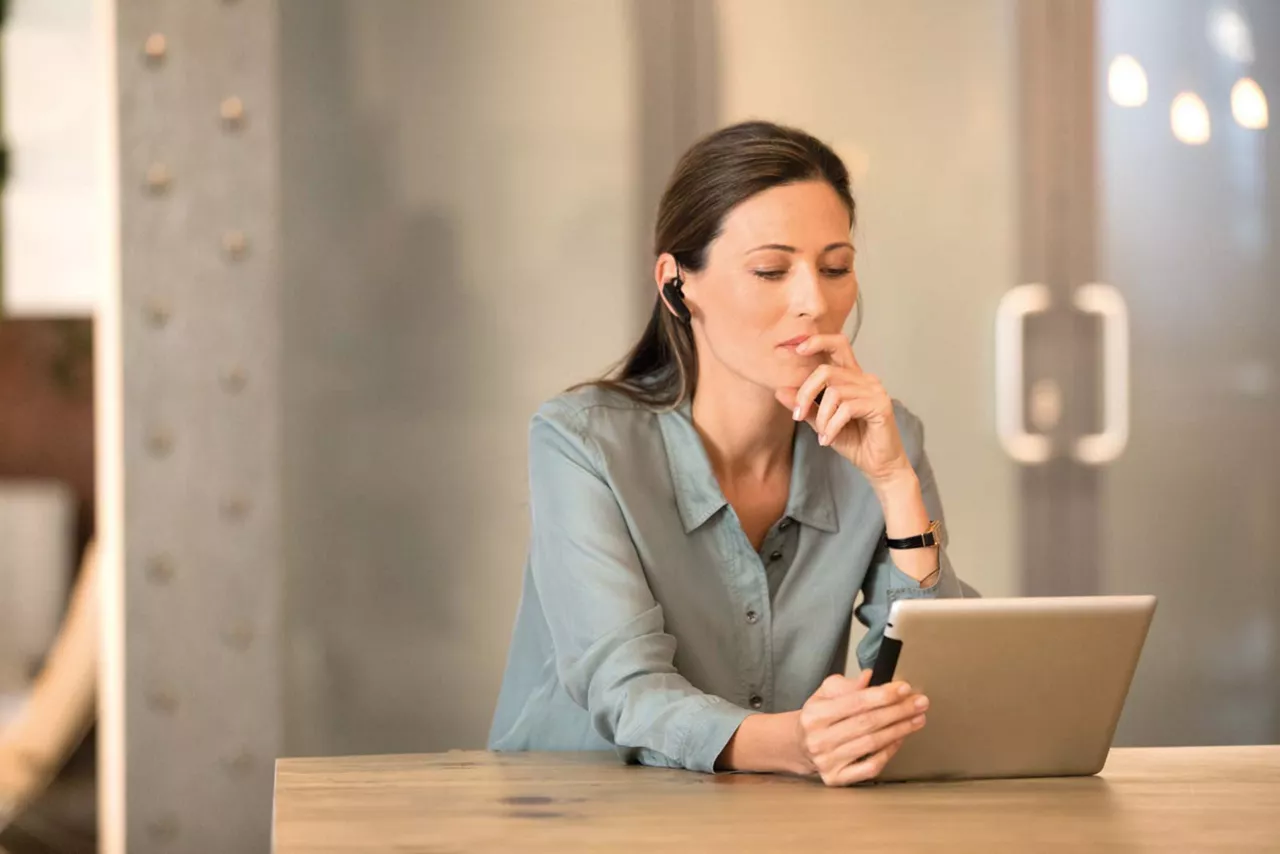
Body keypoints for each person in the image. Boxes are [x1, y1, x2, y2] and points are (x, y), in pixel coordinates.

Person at [489, 120, 968, 786]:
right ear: (677, 285)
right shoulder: (582, 443)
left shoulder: (884, 435)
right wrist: (796, 742)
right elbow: (624, 688)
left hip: (778, 818)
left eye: (836, 268)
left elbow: (932, 688)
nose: (813, 301)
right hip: (580, 812)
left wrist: (893, 482)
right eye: (771, 270)